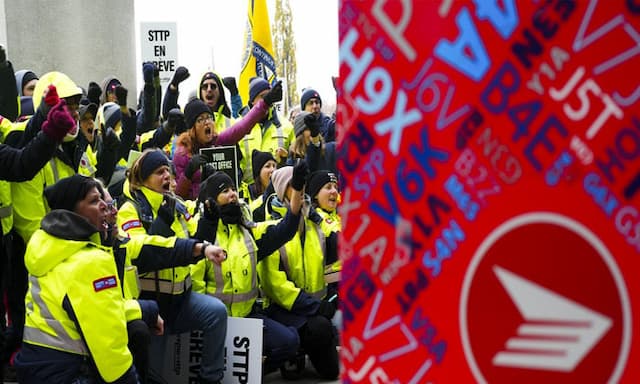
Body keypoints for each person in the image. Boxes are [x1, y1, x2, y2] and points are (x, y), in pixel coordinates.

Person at [117, 149, 228, 384]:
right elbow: (143, 255)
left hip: (181, 300)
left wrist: (209, 220)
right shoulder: (129, 209)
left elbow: (194, 245)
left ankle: (211, 379)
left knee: (216, 313)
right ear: (142, 179)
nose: (167, 176)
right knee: (155, 375)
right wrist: (162, 223)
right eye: (159, 172)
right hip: (152, 305)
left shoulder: (175, 205)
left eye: (168, 170)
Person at [14, 175, 139, 383]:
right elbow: (109, 346)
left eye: (103, 200)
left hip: (35, 368)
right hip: (69, 373)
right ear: (71, 212)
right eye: (93, 201)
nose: (104, 207)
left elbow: (90, 310)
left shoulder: (49, 248)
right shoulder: (89, 261)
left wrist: (145, 311)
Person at [191, 164, 308, 375]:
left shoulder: (247, 230)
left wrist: (298, 190)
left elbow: (286, 229)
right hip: (215, 326)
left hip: (247, 320)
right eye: (225, 191)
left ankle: (252, 373)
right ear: (211, 200)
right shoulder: (202, 235)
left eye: (233, 189)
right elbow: (195, 287)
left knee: (290, 342)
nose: (233, 194)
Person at [257, 166, 340, 380]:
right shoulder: (270, 227)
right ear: (284, 191)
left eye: (302, 188)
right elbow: (274, 285)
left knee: (332, 372)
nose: (301, 192)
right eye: (296, 187)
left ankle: (306, 349)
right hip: (284, 310)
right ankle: (294, 353)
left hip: (315, 307)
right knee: (321, 328)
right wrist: (316, 307)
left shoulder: (315, 224)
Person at [173, 81, 282, 201]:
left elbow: (242, 126)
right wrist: (188, 173)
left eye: (209, 117)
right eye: (200, 119)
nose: (207, 122)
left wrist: (265, 102)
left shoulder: (217, 141)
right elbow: (178, 196)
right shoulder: (182, 154)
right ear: (192, 128)